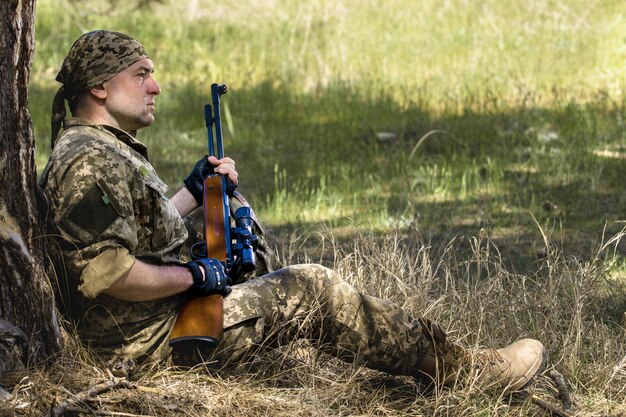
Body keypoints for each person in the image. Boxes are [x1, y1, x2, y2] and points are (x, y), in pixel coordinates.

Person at [40, 30, 547, 393]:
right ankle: (463, 370)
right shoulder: (88, 159)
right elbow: (105, 273)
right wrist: (194, 275)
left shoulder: (105, 148)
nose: (156, 87)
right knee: (313, 288)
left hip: (154, 323)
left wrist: (194, 194)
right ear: (101, 87)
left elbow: (139, 234)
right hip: (145, 344)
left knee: (237, 230)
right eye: (142, 75)